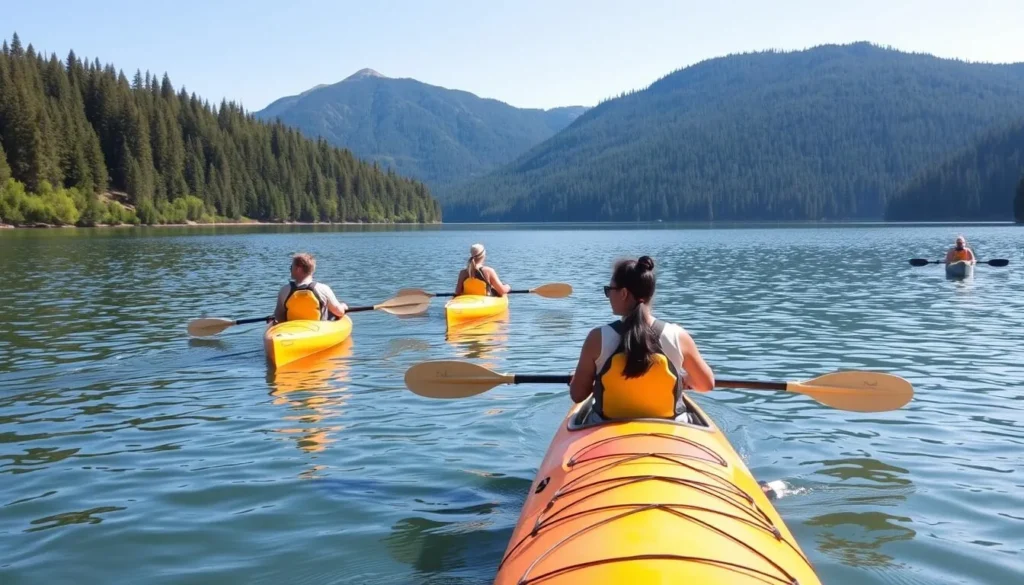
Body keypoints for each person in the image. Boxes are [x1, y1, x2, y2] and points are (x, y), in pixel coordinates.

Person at [569, 256, 715, 423]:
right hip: (671, 427)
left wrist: (578, 378)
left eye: (609, 290)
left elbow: (578, 395)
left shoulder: (597, 338)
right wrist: (685, 379)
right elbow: (706, 385)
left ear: (623, 293)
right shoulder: (678, 336)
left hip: (607, 426)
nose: (608, 295)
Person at [270, 253, 348, 323]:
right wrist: (343, 306)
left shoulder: (284, 290)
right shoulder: (323, 289)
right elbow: (339, 312)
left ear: (298, 269)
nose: (290, 269)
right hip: (317, 331)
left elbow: (278, 317)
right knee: (330, 311)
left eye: (291, 267)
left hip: (293, 331)